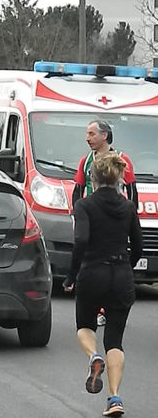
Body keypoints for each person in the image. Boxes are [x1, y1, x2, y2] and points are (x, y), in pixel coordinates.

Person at [63, 152, 142, 418]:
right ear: (119, 178)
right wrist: (125, 268)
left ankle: (93, 356)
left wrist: (72, 275)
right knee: (116, 341)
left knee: (85, 326)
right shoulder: (128, 207)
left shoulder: (85, 205)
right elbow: (139, 246)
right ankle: (114, 398)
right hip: (121, 275)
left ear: (92, 179)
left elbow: (81, 241)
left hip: (92, 274)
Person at [72, 119, 139, 327]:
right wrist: (79, 215)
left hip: (117, 216)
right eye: (87, 133)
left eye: (92, 134)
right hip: (92, 216)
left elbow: (132, 191)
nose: (87, 138)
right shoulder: (86, 161)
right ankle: (98, 307)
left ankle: (104, 308)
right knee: (93, 261)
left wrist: (130, 218)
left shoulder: (121, 158)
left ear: (105, 136)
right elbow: (77, 190)